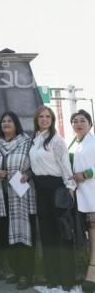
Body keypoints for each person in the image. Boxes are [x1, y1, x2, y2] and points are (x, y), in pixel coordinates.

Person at [0, 111, 36, 291]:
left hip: (20, 195)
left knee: (22, 235)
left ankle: (27, 274)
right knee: (4, 236)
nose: (5, 123)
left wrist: (28, 174)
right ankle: (16, 271)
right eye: (3, 121)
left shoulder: (27, 142)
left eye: (9, 121)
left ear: (16, 123)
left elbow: (36, 164)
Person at [29, 105, 76, 291]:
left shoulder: (57, 140)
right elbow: (34, 164)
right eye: (41, 116)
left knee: (62, 236)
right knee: (47, 237)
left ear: (52, 119)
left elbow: (65, 165)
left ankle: (67, 281)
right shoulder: (34, 140)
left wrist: (70, 189)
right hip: (40, 191)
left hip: (57, 190)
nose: (44, 119)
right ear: (36, 119)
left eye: (48, 116)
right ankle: (52, 279)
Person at [71, 109, 95, 292]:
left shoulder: (93, 142)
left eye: (83, 120)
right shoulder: (72, 143)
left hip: (92, 197)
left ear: (89, 123)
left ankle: (91, 278)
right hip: (78, 199)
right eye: (75, 121)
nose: (78, 123)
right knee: (84, 241)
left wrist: (86, 174)